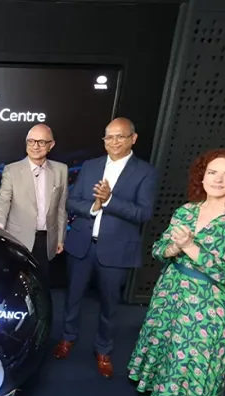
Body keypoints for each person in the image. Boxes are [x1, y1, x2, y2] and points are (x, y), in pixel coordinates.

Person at [127, 148, 225, 396]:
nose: (218, 179)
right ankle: (158, 395)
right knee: (165, 344)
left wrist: (190, 247)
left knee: (189, 355)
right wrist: (174, 247)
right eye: (212, 172)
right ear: (202, 176)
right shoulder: (186, 211)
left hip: (209, 300)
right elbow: (159, 250)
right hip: (172, 291)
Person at [55, 117, 158, 379]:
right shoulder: (91, 166)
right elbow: (72, 202)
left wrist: (110, 200)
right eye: (108, 137)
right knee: (72, 297)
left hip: (116, 250)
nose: (113, 142)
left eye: (119, 136)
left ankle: (104, 349)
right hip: (82, 245)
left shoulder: (145, 172)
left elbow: (144, 213)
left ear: (133, 139)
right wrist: (93, 207)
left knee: (110, 305)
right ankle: (67, 338)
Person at [0, 124, 68, 290]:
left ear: (51, 145)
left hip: (46, 239)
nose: (35, 146)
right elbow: (3, 200)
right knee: (14, 285)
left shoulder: (61, 170)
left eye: (41, 142)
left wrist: (60, 237)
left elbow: (61, 207)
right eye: (31, 141)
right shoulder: (12, 170)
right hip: (18, 238)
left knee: (40, 286)